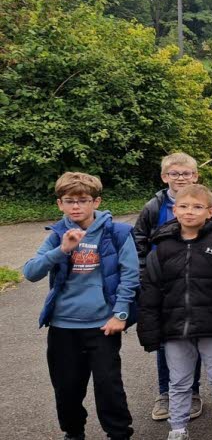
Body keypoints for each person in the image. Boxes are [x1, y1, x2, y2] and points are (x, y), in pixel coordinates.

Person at [24, 172, 138, 440]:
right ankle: (73, 433)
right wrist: (61, 249)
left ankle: (119, 434)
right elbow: (30, 272)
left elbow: (130, 275)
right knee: (67, 389)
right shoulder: (57, 235)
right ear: (60, 204)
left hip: (103, 325)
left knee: (109, 388)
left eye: (83, 200)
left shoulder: (117, 233)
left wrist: (120, 313)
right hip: (63, 326)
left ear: (96, 202)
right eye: (69, 200)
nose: (76, 206)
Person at [138, 184, 212, 440]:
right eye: (183, 206)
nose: (189, 212)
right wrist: (150, 330)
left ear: (210, 211)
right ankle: (177, 427)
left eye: (197, 207)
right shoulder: (162, 246)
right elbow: (151, 290)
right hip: (175, 327)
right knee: (179, 381)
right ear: (174, 210)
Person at [131, 153, 204, 422]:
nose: (181, 178)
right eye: (175, 174)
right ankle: (166, 393)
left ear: (195, 176)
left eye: (186, 173)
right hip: (161, 284)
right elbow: (138, 241)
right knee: (165, 340)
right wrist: (143, 275)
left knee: (193, 336)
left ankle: (193, 392)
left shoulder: (205, 203)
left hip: (196, 283)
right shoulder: (153, 207)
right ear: (165, 177)